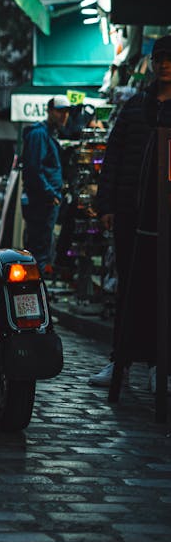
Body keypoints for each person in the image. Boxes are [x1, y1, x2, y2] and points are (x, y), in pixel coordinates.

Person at [92, 37, 171, 389]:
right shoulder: (136, 106)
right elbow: (114, 156)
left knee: (164, 288)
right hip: (130, 212)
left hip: (165, 214)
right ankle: (119, 363)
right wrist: (106, 204)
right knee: (129, 288)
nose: (165, 65)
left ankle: (160, 365)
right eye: (160, 59)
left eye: (170, 59)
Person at [20, 94, 70, 277]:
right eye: (59, 111)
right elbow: (34, 170)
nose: (64, 116)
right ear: (49, 111)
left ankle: (34, 290)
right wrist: (51, 194)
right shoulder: (40, 134)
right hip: (41, 202)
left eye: (66, 112)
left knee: (40, 250)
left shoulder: (47, 134)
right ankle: (34, 292)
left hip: (44, 200)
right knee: (38, 251)